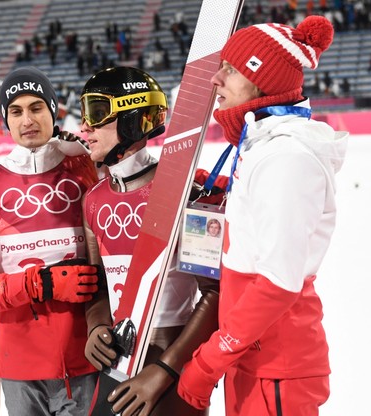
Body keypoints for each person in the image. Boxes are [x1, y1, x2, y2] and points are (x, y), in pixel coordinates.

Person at [176, 16, 349, 416]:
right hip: (256, 358)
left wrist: (207, 362)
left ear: (261, 81)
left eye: (231, 70)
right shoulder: (263, 147)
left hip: (277, 366)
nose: (216, 79)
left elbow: (277, 281)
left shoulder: (285, 157)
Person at [0, 66, 102, 416]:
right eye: (15, 111)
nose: (27, 119)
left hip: (87, 359)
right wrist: (38, 283)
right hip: (18, 370)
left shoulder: (88, 170)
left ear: (54, 111)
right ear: (5, 119)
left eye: (36, 107)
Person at [80, 66, 226, 416]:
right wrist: (96, 323)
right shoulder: (94, 199)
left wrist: (166, 369)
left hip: (172, 367)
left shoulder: (189, 191)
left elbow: (216, 293)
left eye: (97, 113)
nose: (85, 126)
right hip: (117, 362)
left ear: (134, 118)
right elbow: (97, 281)